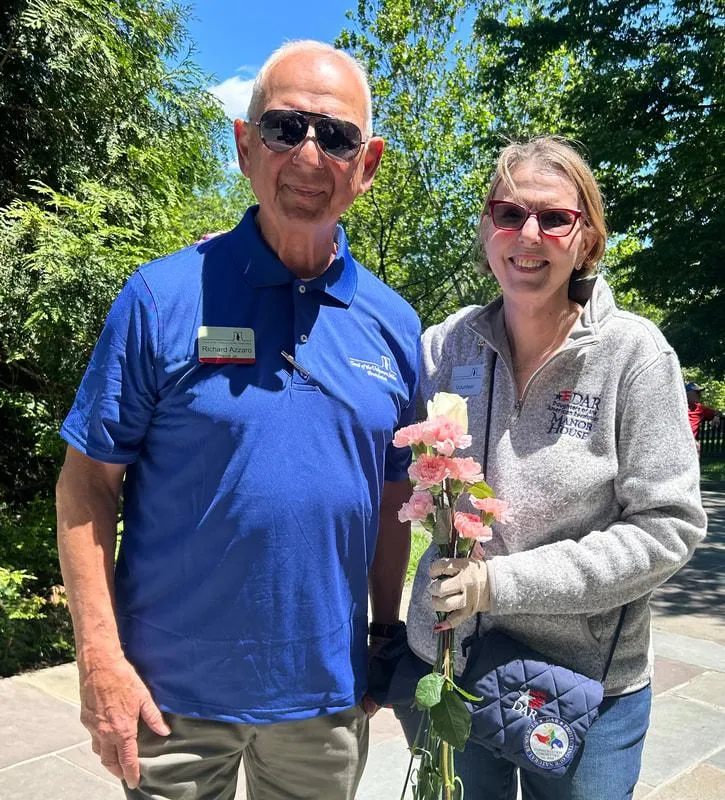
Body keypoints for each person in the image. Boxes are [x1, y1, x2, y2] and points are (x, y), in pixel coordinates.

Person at [56, 40, 420, 800]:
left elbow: (393, 501)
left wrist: (386, 635)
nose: (310, 156)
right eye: (286, 128)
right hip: (169, 699)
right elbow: (88, 485)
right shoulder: (161, 298)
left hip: (324, 697)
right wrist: (99, 658)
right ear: (244, 144)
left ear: (370, 162)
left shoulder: (393, 325)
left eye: (338, 136)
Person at [400, 136, 707, 799]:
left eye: (552, 217)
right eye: (507, 213)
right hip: (457, 664)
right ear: (486, 229)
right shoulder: (443, 345)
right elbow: (350, 387)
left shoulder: (633, 356)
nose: (526, 233)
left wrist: (498, 584)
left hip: (586, 684)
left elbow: (668, 528)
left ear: (585, 238)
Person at [685, 381, 722, 451]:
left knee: (696, 446)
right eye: (696, 392)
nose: (699, 395)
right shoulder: (678, 408)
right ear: (687, 394)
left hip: (690, 444)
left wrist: (716, 417)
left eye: (699, 393)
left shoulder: (700, 408)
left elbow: (718, 412)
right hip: (677, 441)